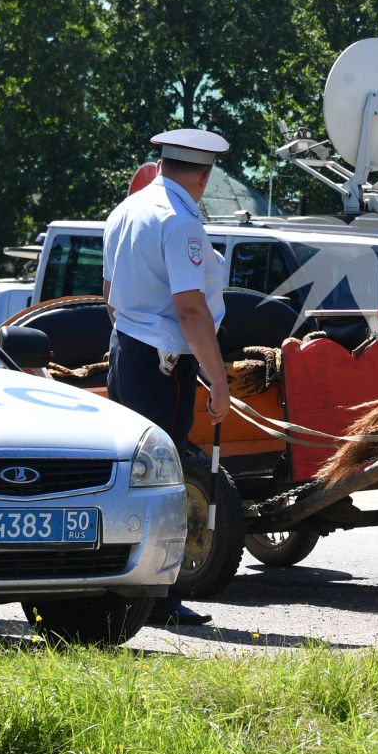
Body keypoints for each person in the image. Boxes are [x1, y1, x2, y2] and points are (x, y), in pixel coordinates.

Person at [103, 127, 234, 627]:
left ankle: (120, 584)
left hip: (128, 350)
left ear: (161, 165)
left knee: (127, 475)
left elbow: (109, 294)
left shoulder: (126, 210)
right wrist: (218, 380)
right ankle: (158, 595)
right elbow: (190, 310)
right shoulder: (180, 222)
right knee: (164, 477)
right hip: (164, 363)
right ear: (203, 176)